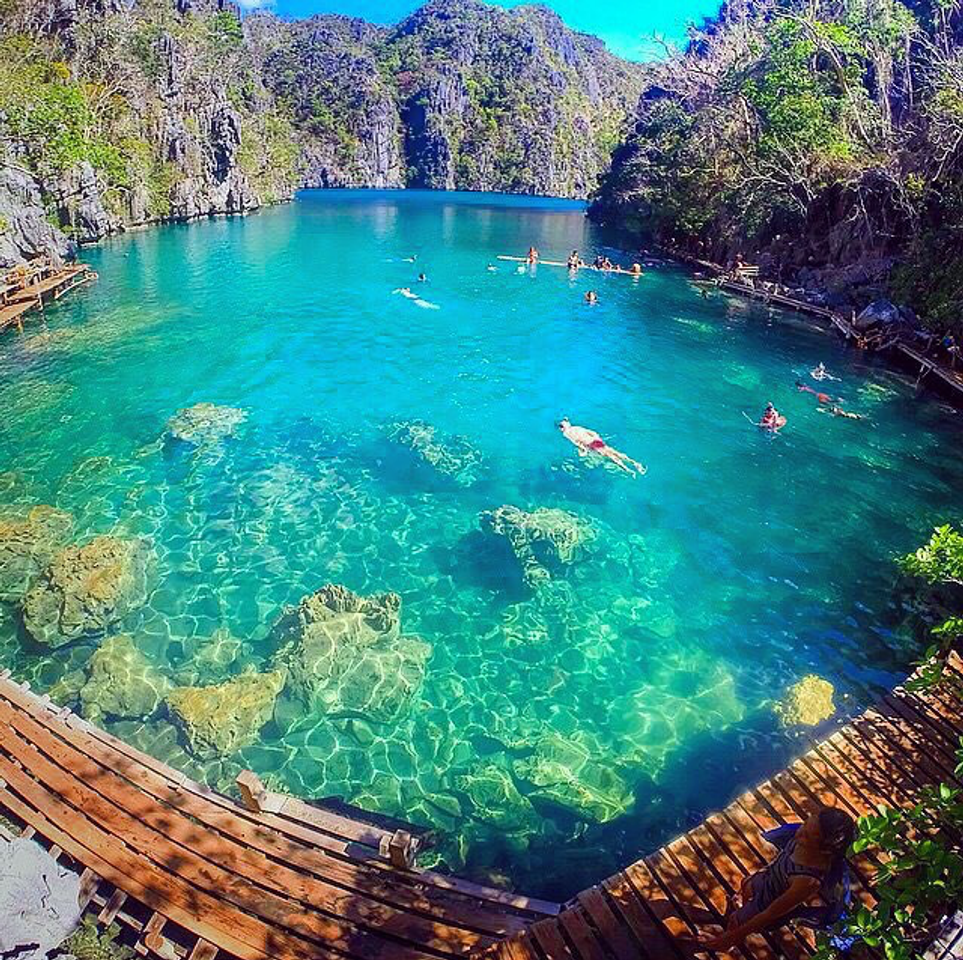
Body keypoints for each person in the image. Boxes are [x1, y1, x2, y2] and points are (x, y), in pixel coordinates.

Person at [690, 807, 855, 953]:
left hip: (768, 902)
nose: (799, 832)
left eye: (807, 835)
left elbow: (770, 913)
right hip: (769, 879)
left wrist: (732, 936)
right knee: (745, 884)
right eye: (805, 824)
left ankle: (727, 943)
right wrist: (761, 873)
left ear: (825, 850)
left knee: (736, 920)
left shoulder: (808, 881)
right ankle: (742, 908)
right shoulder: (800, 841)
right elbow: (780, 860)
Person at [557, 418, 646, 476]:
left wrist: (583, 449)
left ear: (562, 428)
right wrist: (597, 438)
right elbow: (592, 432)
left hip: (591, 444)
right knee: (614, 452)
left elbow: (575, 442)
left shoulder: (566, 433)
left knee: (611, 457)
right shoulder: (576, 427)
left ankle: (629, 470)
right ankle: (635, 463)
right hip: (596, 441)